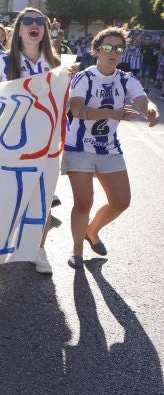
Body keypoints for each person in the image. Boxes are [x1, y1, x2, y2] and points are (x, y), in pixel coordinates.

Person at [63, 27, 159, 268]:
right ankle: (77, 250)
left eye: (118, 48)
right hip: (79, 148)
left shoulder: (126, 78)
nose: (113, 52)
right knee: (84, 203)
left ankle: (92, 230)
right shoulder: (84, 76)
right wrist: (113, 113)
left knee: (121, 202)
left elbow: (141, 98)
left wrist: (150, 109)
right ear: (96, 51)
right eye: (107, 47)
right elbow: (76, 110)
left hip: (109, 149)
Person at [0, 7, 65, 274]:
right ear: (19, 29)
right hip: (10, 142)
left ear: (45, 30)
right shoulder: (3, 61)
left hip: (45, 144)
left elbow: (62, 103)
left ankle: (38, 250)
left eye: (40, 21)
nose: (34, 25)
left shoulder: (55, 65)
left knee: (42, 196)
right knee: (5, 195)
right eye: (27, 21)